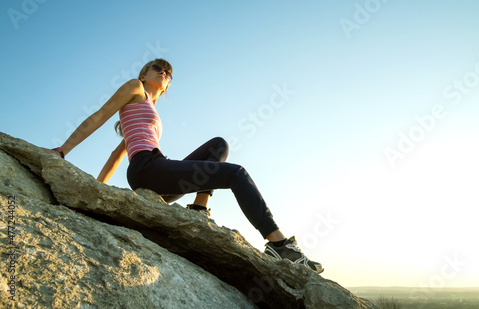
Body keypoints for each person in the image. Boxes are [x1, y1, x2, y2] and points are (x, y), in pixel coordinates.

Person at [44, 58, 323, 273]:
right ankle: (279, 246)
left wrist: (99, 186)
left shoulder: (151, 112)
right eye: (158, 68)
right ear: (144, 74)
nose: (164, 73)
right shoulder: (135, 87)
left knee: (219, 144)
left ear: (166, 86)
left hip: (157, 174)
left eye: (168, 74)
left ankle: (199, 209)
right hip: (147, 168)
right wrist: (64, 151)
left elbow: (120, 152)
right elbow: (100, 115)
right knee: (236, 173)